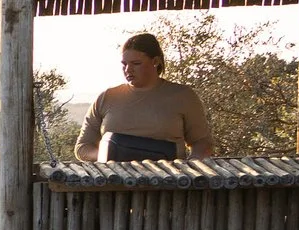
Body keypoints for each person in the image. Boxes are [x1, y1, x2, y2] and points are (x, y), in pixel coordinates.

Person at [75, 33, 214, 161]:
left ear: (156, 62)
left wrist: (190, 167)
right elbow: (82, 148)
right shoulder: (106, 98)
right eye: (124, 64)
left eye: (136, 64)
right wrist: (109, 154)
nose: (128, 69)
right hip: (115, 182)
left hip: (168, 181)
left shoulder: (183, 96)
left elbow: (202, 143)